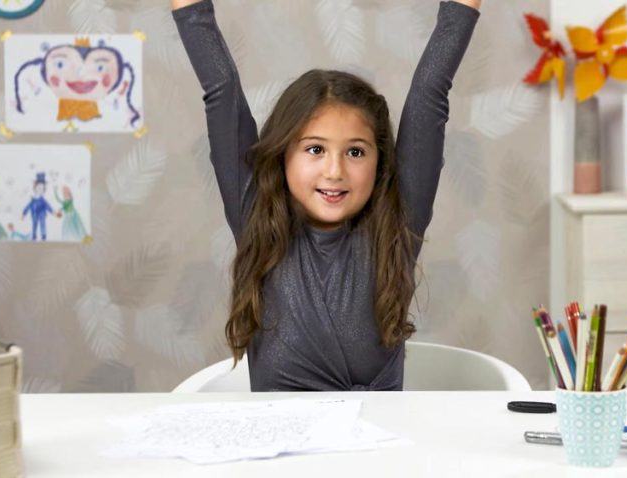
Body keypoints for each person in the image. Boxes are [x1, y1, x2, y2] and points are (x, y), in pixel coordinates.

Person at [172, 0, 481, 391]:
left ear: (380, 161)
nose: (334, 171)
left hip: (379, 449)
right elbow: (220, 89)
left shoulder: (395, 228)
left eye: (355, 152)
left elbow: (430, 91)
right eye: (315, 149)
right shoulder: (257, 219)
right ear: (283, 155)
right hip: (281, 449)